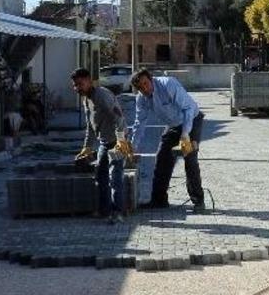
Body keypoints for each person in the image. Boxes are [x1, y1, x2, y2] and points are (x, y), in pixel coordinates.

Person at [129, 69, 205, 212]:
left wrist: (185, 134)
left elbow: (188, 108)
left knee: (190, 158)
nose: (145, 89)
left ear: (151, 79)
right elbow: (140, 123)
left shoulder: (168, 84)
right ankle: (159, 200)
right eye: (140, 87)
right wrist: (133, 147)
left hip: (192, 120)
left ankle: (198, 200)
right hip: (173, 125)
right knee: (162, 157)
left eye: (146, 84)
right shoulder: (141, 98)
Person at [72, 68, 131, 224]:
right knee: (101, 175)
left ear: (89, 81)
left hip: (118, 140)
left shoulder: (102, 95)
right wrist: (87, 147)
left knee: (115, 176)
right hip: (105, 142)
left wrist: (121, 141)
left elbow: (118, 116)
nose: (77, 88)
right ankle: (104, 210)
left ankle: (118, 213)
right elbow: (90, 128)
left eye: (80, 84)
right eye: (75, 85)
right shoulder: (87, 100)